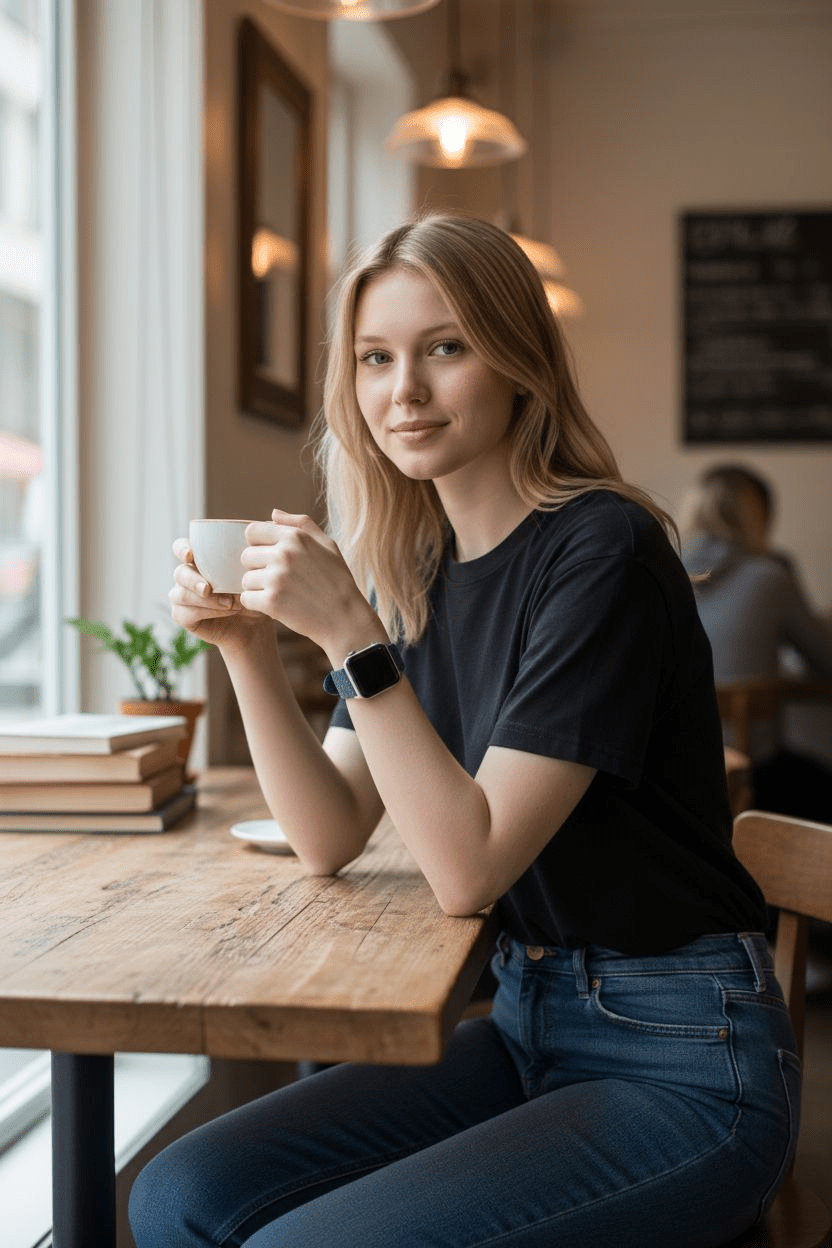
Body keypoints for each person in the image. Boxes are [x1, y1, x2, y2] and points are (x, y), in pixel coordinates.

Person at [130, 214, 798, 1248]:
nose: (405, 391)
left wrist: (349, 631)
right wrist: (248, 651)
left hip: (684, 1056)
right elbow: (330, 831)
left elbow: (468, 868)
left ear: (518, 359)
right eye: (374, 359)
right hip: (528, 1024)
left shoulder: (601, 554)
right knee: (175, 1196)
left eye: (445, 347)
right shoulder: (416, 571)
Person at [680, 463, 832, 821]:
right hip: (752, 777)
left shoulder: (668, 571)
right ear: (758, 516)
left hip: (679, 774)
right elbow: (825, 660)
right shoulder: (770, 575)